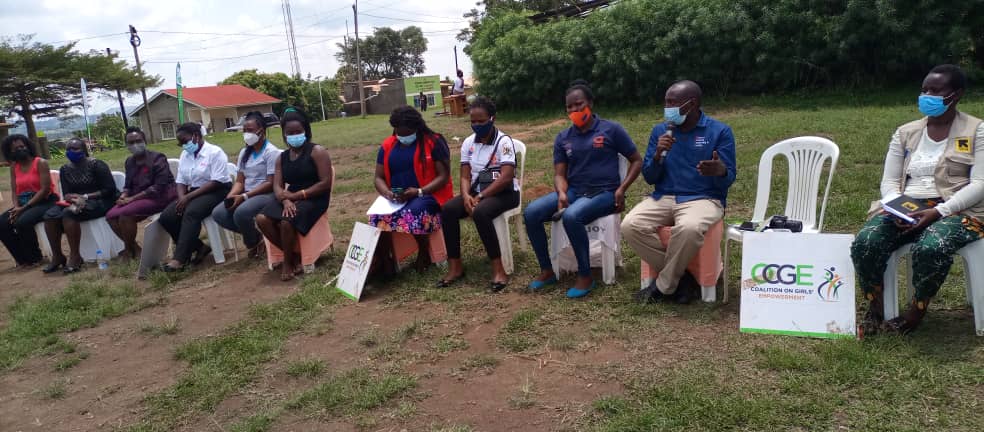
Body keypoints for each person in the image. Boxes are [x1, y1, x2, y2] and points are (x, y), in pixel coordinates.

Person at [851, 64, 984, 335]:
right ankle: (875, 306)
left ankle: (915, 312)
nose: (927, 96)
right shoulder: (905, 132)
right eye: (924, 90)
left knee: (932, 246)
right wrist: (899, 208)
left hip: (960, 210)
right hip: (908, 207)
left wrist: (939, 212)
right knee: (867, 241)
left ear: (956, 95)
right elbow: (889, 181)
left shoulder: (977, 131)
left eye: (936, 91)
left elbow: (980, 184)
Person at [524, 80, 643, 298]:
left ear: (590, 103)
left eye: (578, 104)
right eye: (569, 107)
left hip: (605, 193)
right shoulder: (563, 138)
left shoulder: (611, 129)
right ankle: (547, 270)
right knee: (532, 212)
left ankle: (585, 276)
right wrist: (561, 193)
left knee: (572, 216)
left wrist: (622, 189)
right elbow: (560, 173)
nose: (574, 110)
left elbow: (636, 160)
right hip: (574, 191)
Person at [622, 80, 737, 304]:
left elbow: (729, 178)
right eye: (666, 102)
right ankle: (683, 280)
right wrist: (657, 156)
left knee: (689, 228)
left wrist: (721, 171)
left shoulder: (719, 131)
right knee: (630, 225)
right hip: (663, 196)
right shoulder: (660, 132)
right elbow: (649, 176)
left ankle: (663, 287)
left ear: (691, 104)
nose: (667, 109)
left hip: (703, 198)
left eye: (672, 103)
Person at [438, 97, 519, 292]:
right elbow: (465, 174)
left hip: (504, 193)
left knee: (481, 212)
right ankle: (455, 266)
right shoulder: (468, 143)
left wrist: (481, 197)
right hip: (475, 192)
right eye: (473, 121)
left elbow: (506, 177)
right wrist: (465, 196)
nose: (476, 125)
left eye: (481, 121)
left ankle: (499, 269)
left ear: (492, 118)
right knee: (448, 209)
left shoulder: (504, 142)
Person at [370, 105, 453, 274]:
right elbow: (378, 177)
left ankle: (424, 251)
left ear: (416, 127)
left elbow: (443, 176)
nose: (402, 137)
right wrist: (387, 193)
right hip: (396, 197)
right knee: (376, 217)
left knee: (413, 211)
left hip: (428, 195)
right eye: (398, 133)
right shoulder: (387, 146)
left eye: (406, 133)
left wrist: (419, 191)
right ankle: (385, 260)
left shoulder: (433, 142)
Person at [256, 108, 332, 281]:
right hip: (289, 198)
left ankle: (288, 263)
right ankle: (294, 256)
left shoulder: (317, 151)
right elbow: (277, 185)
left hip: (314, 197)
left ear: (306, 131)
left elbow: (325, 183)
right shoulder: (281, 157)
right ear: (284, 135)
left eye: (298, 132)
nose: (294, 135)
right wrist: (285, 201)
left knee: (286, 222)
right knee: (262, 219)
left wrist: (296, 196)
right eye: (290, 133)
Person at [157, 122, 232, 272]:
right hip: (195, 192)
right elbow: (181, 181)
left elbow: (215, 181)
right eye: (180, 143)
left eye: (184, 141)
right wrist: (181, 198)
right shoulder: (186, 154)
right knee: (167, 217)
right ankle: (200, 247)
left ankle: (179, 259)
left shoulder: (215, 152)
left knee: (191, 212)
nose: (182, 145)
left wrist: (188, 198)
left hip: (217, 190)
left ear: (196, 136)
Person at [41, 138, 120, 273]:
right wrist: (70, 197)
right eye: (69, 149)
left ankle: (75, 257)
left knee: (69, 213)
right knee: (49, 215)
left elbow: (110, 189)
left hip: (101, 200)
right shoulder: (65, 169)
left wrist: (85, 197)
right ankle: (58, 256)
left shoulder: (97, 165)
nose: (72, 151)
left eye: (76, 148)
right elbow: (66, 193)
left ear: (84, 150)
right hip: (77, 202)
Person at [211, 111, 281, 259]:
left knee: (241, 213)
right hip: (246, 194)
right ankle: (256, 237)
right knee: (219, 213)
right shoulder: (244, 152)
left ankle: (252, 243)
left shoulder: (271, 152)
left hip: (266, 194)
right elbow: (240, 181)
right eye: (244, 131)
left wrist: (244, 196)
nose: (246, 134)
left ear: (261, 131)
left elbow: (270, 183)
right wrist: (231, 196)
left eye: (249, 131)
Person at [106, 127, 177, 260]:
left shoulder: (157, 158)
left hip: (161, 196)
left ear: (145, 141)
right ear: (127, 145)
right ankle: (135, 249)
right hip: (138, 198)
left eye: (138, 141)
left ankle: (128, 250)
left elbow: (158, 187)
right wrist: (124, 195)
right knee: (110, 216)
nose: (135, 145)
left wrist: (131, 199)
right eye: (131, 143)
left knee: (125, 215)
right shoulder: (130, 162)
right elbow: (128, 185)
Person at [0, 134, 57, 268]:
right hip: (23, 203)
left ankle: (35, 257)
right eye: (15, 149)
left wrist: (23, 208)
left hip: (45, 201)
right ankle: (23, 259)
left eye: (22, 146)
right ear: (10, 152)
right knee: (2, 223)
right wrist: (15, 207)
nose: (20, 150)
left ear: (28, 146)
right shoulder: (14, 166)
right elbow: (14, 191)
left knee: (22, 221)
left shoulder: (40, 163)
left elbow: (44, 190)